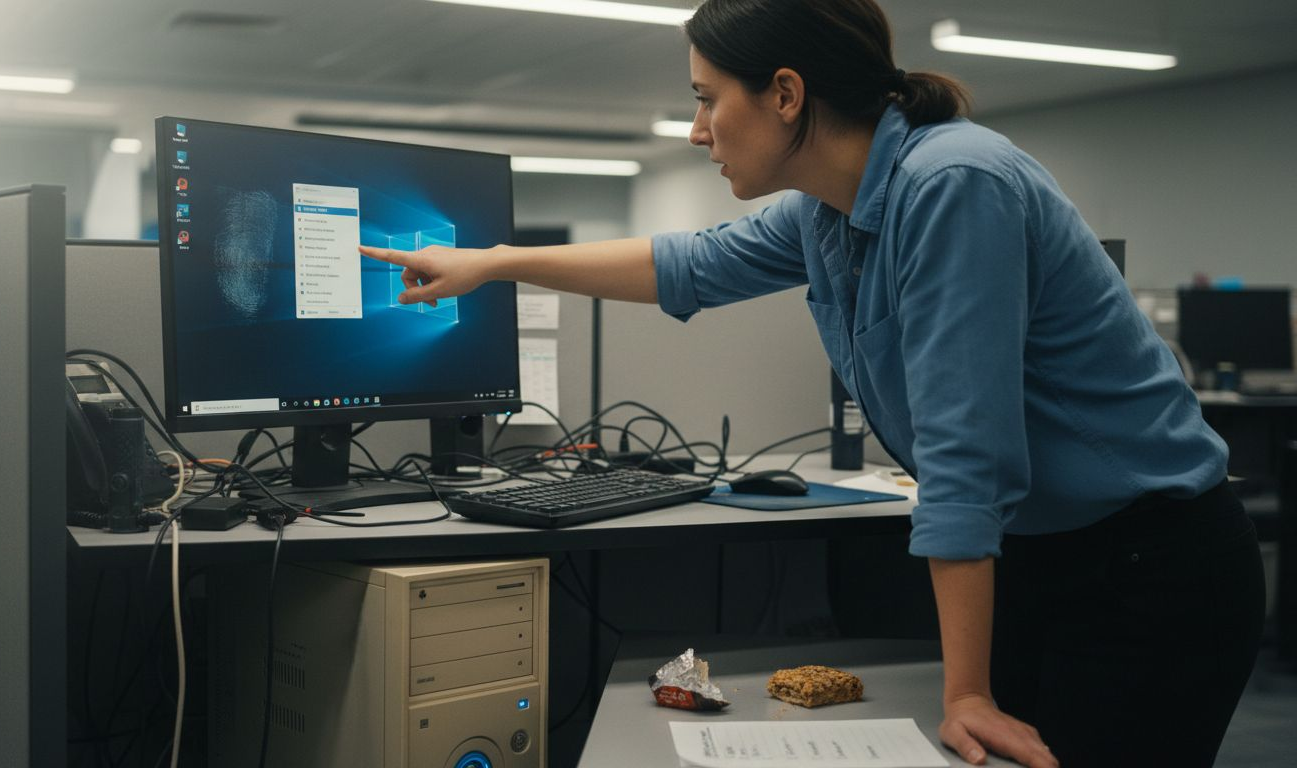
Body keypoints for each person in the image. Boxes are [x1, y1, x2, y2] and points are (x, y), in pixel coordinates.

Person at [361, 0, 1265, 765]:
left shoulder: (955, 184)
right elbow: (686, 266)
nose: (696, 129)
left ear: (786, 95)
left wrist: (968, 693)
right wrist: (490, 263)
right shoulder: (827, 214)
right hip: (1045, 554)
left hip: (1151, 571)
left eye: (709, 100)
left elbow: (965, 452)